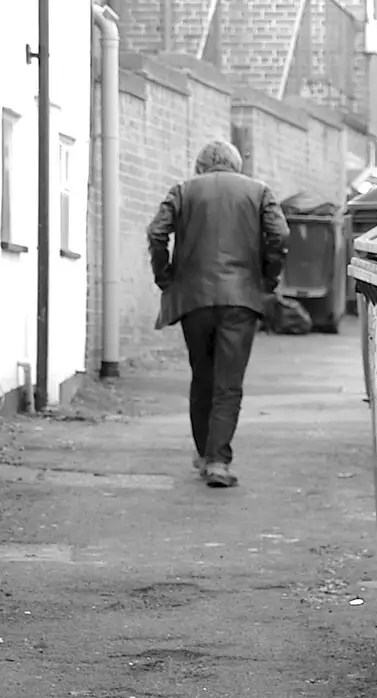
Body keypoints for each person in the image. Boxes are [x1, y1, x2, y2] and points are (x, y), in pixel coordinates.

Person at [147, 140, 289, 488]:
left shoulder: (182, 191)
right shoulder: (259, 191)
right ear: (236, 164)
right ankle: (217, 461)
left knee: (202, 376)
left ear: (200, 166)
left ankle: (204, 453)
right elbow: (280, 234)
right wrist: (267, 278)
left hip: (193, 298)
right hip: (241, 298)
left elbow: (156, 232)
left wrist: (166, 276)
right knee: (229, 383)